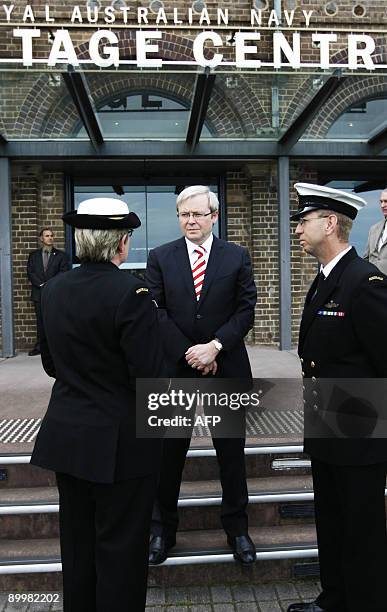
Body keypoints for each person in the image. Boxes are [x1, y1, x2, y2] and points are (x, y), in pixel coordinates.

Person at [30, 198, 165, 612]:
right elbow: (148, 376)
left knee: (78, 550)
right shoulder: (133, 291)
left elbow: (52, 363)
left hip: (69, 439)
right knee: (121, 556)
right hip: (121, 445)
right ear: (121, 243)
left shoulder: (53, 290)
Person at [287, 183, 387, 612]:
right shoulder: (327, 278)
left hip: (360, 432)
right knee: (331, 522)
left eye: (303, 222)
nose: (296, 230)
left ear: (330, 224)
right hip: (328, 423)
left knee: (361, 530)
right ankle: (335, 599)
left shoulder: (364, 282)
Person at [145, 185, 257, 565]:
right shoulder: (160, 257)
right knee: (166, 455)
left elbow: (246, 310)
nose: (190, 221)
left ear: (214, 216)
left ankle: (238, 531)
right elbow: (155, 312)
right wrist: (190, 353)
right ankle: (162, 532)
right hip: (174, 370)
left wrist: (216, 347)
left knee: (231, 454)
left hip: (225, 368)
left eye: (198, 214)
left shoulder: (236, 256)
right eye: (184, 214)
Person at [27, 228, 70, 356]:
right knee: (40, 321)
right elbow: (31, 273)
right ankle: (40, 346)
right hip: (38, 294)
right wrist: (42, 284)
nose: (50, 238)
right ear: (41, 238)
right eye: (47, 236)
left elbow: (63, 273)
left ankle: (55, 347)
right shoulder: (33, 255)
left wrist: (50, 285)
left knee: (55, 320)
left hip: (54, 294)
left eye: (51, 235)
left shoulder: (62, 256)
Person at [363, 187, 387, 274]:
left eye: (386, 201)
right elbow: (366, 259)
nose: (382, 205)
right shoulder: (373, 229)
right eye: (381, 202)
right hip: (373, 284)